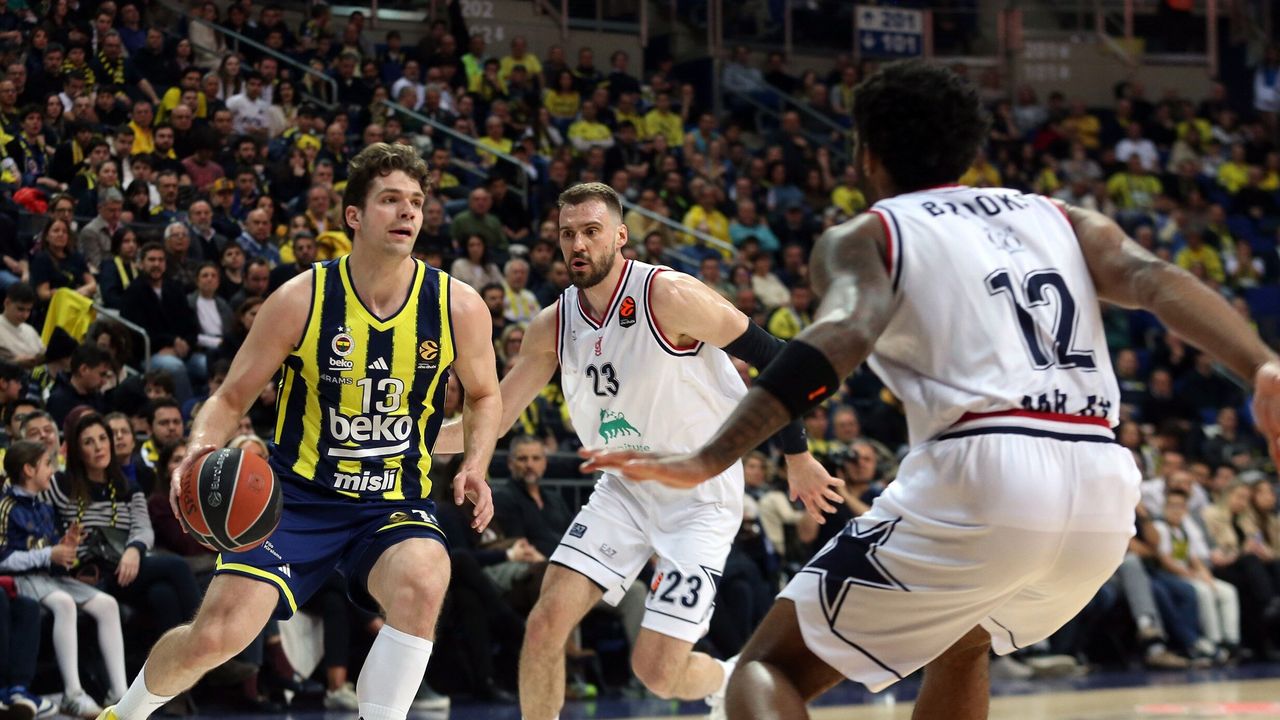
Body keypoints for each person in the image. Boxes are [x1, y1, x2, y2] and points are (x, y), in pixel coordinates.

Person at [584, 60, 1280, 720]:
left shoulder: (871, 233)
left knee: (767, 670)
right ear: (969, 148)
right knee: (961, 635)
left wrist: (710, 456)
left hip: (984, 473)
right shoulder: (1064, 217)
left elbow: (838, 338)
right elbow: (1155, 278)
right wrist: (1261, 366)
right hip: (1102, 491)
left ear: (865, 154)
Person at [98, 143, 503, 720]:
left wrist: (476, 465)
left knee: (425, 576)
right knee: (215, 636)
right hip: (296, 498)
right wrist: (197, 452)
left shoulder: (457, 306)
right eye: (390, 200)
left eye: (415, 201)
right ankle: (124, 713)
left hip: (392, 499)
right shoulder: (301, 299)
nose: (408, 212)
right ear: (354, 215)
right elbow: (230, 397)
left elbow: (485, 394)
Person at [435, 182, 838, 720]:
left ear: (621, 236)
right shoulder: (553, 323)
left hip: (699, 494)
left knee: (658, 672)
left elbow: (779, 357)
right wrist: (410, 435)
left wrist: (798, 456)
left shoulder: (668, 295)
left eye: (591, 231)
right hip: (623, 490)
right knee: (546, 621)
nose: (578, 244)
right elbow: (497, 416)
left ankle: (729, 679)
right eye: (567, 234)